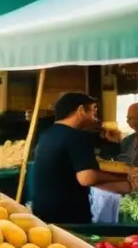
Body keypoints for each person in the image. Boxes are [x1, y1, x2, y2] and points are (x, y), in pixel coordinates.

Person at [32, 93, 132, 224]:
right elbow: (87, 178)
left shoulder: (46, 135)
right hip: (68, 217)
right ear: (80, 110)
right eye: (94, 109)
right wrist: (124, 177)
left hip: (42, 213)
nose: (96, 115)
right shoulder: (77, 137)